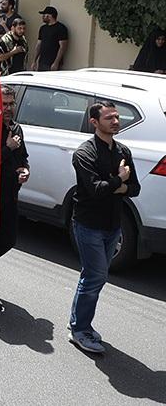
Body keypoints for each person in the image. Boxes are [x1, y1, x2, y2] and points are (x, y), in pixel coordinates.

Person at [67, 101, 140, 354]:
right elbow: (96, 190)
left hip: (113, 225)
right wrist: (120, 180)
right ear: (94, 122)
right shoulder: (84, 153)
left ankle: (78, 323)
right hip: (88, 225)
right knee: (95, 276)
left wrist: (118, 185)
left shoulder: (122, 151)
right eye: (109, 118)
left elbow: (135, 189)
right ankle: (80, 330)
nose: (116, 121)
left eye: (117, 117)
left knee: (92, 276)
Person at [0, 86, 30, 311]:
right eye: (4, 104)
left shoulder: (16, 128)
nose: (8, 108)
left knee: (8, 240)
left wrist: (25, 170)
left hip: (10, 196)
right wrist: (7, 148)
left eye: (11, 104)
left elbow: (23, 158)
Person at [32, 6, 69, 71]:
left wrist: (56, 63)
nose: (43, 16)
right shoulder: (43, 28)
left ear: (49, 16)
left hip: (52, 62)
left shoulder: (61, 28)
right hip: (42, 62)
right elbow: (38, 45)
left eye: (44, 15)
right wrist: (34, 61)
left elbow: (63, 47)